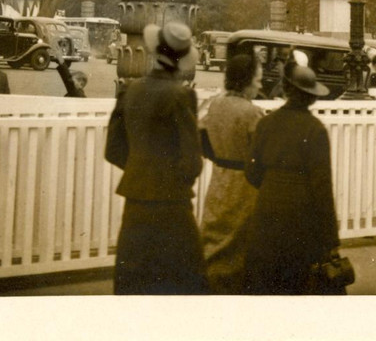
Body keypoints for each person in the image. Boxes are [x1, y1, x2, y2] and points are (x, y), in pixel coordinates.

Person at [104, 21, 207, 294]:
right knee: (184, 281)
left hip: (136, 199)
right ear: (182, 59)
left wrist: (142, 168)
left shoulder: (130, 90)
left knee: (133, 280)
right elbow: (191, 161)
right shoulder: (182, 96)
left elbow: (113, 149)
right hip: (172, 202)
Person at [243, 61, 341, 294]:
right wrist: (330, 240)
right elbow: (322, 188)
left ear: (286, 90)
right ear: (312, 97)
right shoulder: (315, 129)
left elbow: (252, 172)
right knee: (295, 284)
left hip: (266, 211)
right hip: (301, 217)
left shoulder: (266, 123)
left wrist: (272, 186)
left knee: (264, 283)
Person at [199, 48, 264, 292]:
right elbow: (263, 151)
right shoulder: (252, 112)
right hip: (245, 184)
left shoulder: (215, 105)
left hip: (220, 178)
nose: (259, 86)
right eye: (257, 80)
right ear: (247, 81)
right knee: (240, 242)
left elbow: (200, 134)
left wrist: (216, 153)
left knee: (215, 234)